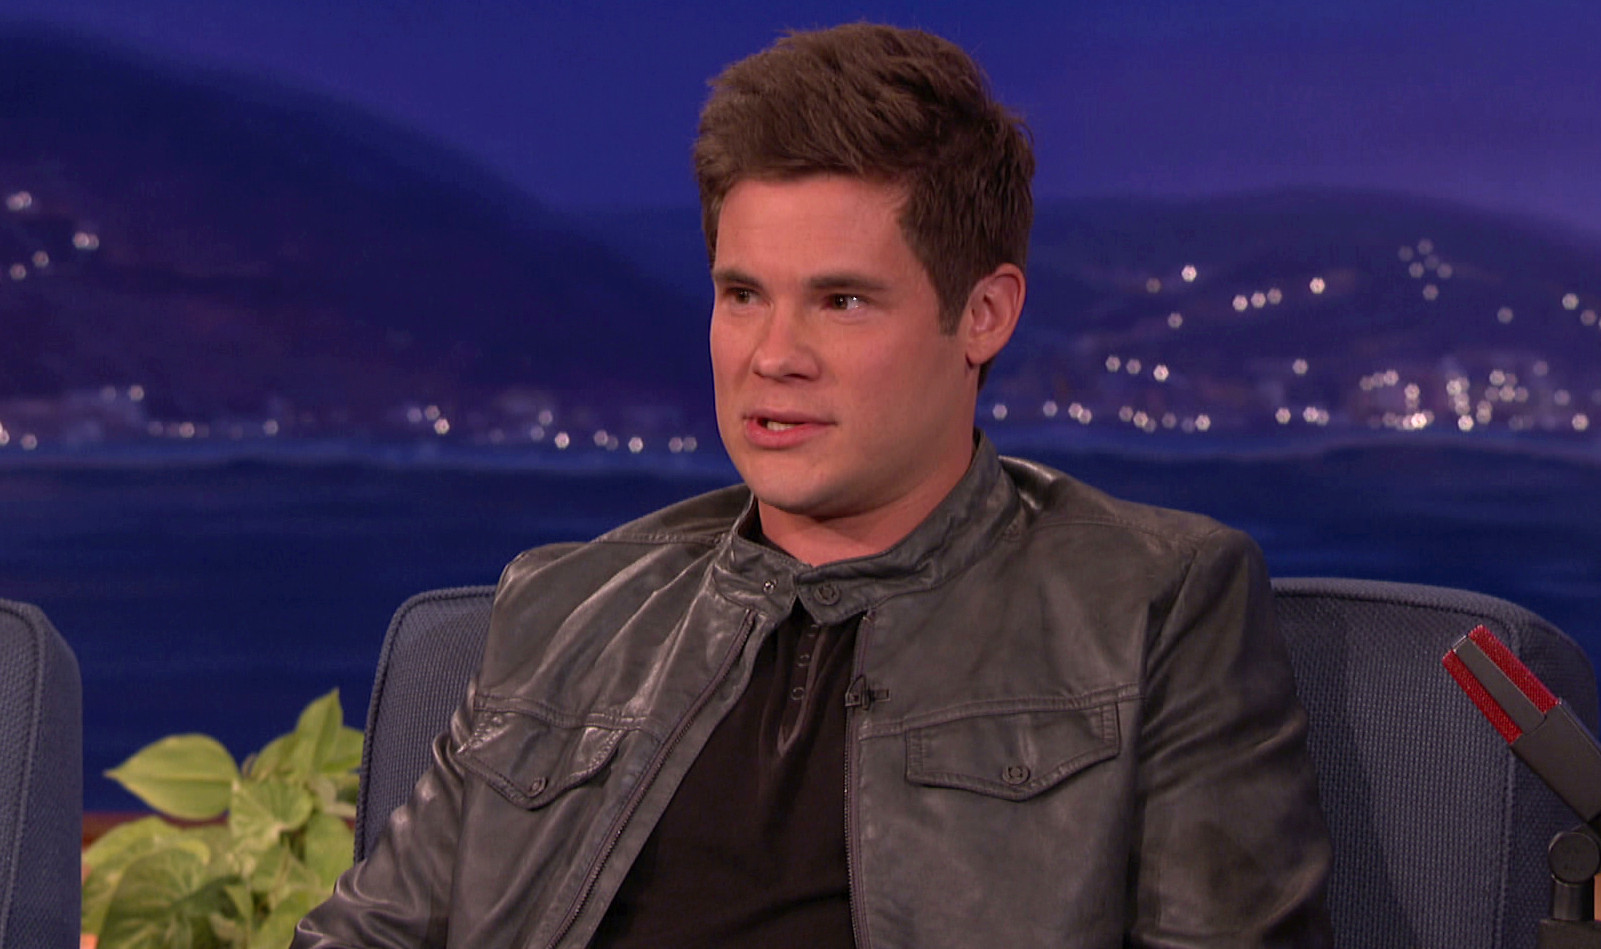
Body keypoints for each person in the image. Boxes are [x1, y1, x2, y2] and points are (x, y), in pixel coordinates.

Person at [295, 22, 1331, 948]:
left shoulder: (1153, 602)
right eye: (742, 294)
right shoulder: (565, 609)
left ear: (983, 315)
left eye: (841, 301)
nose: (773, 355)